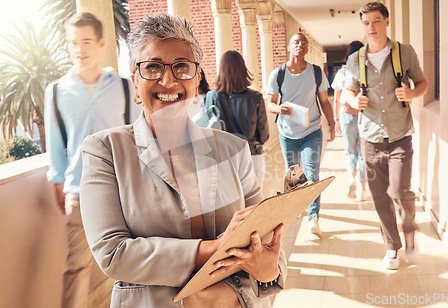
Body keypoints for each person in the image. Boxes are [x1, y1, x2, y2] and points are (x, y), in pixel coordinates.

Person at [79, 13, 286, 307]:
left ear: (197, 78)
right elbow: (113, 253)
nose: (168, 79)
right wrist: (216, 248)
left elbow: (266, 237)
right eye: (152, 67)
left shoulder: (232, 150)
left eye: (181, 67)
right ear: (135, 83)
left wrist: (269, 269)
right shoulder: (105, 151)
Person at [44, 12, 140, 308]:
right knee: (76, 267)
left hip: (121, 193)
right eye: (73, 43)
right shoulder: (57, 91)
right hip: (79, 193)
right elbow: (55, 142)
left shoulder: (124, 87)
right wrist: (60, 183)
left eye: (86, 41)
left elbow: (140, 140)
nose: (79, 49)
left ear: (101, 43)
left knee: (129, 268)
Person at [343, 2, 428, 270]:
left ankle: (410, 230)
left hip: (400, 136)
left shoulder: (404, 53)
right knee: (380, 198)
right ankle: (392, 247)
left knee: (400, 190)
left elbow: (422, 83)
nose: (371, 28)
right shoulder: (355, 60)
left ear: (387, 22)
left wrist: (412, 94)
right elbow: (347, 92)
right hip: (369, 139)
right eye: (366, 23)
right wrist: (354, 101)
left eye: (376, 21)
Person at [267, 33, 336, 236]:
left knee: (312, 173)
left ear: (307, 49)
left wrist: (332, 122)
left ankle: (313, 217)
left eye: (304, 43)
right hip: (287, 132)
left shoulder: (316, 72)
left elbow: (324, 101)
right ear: (289, 47)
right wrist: (279, 109)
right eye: (296, 42)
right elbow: (270, 103)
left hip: (312, 130)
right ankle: (295, 208)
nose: (301, 46)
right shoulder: (278, 73)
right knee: (293, 174)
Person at [204, 50, 269, 185]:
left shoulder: (210, 97)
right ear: (243, 69)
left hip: (222, 158)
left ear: (221, 71)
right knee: (254, 203)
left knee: (230, 203)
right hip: (251, 154)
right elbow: (263, 136)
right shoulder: (255, 98)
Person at [331, 40, 369, 201]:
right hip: (364, 114)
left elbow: (336, 99)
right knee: (363, 153)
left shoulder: (342, 73)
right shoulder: (367, 71)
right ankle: (362, 189)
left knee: (350, 150)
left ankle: (352, 179)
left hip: (346, 116)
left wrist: (336, 119)